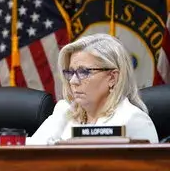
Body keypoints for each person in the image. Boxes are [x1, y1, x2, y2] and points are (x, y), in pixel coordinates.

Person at [28, 33, 158, 145]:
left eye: (84, 72)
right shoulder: (65, 111)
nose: (73, 81)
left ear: (112, 78)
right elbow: (30, 154)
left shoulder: (133, 120)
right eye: (71, 72)